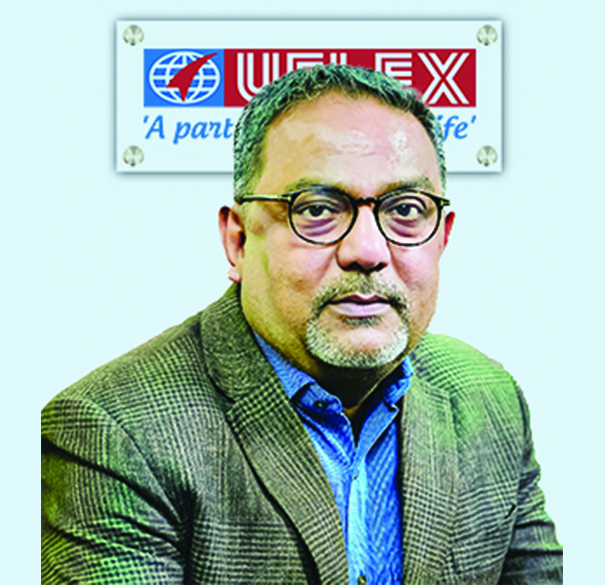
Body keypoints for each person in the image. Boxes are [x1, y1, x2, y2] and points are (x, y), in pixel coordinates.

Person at [41, 64, 562, 584]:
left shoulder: (489, 398)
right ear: (238, 241)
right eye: (316, 210)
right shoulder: (115, 432)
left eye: (405, 209)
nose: (367, 250)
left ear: (442, 238)